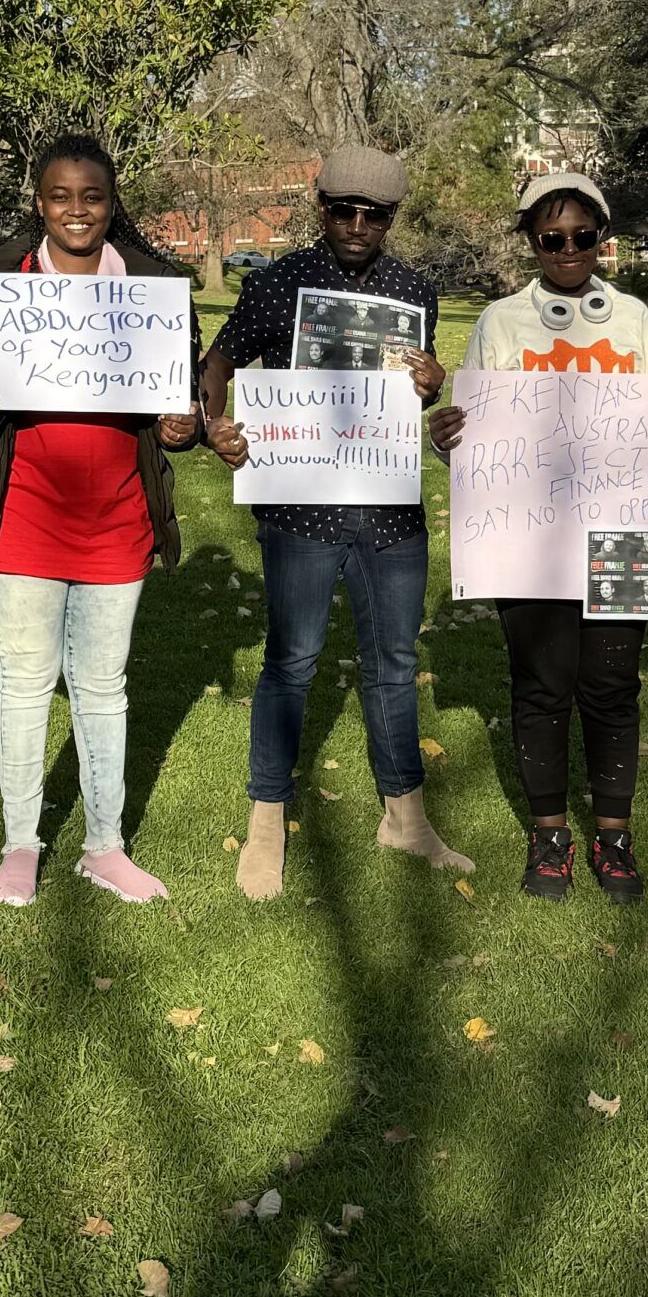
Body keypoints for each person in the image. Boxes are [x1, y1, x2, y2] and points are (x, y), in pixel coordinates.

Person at [428, 172, 648, 904]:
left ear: (603, 238)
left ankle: (613, 836)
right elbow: (474, 435)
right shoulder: (502, 322)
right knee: (540, 688)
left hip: (623, 530)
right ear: (531, 242)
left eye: (582, 235)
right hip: (526, 534)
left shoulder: (632, 317)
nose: (568, 249)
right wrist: (449, 437)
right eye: (551, 237)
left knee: (610, 688)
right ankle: (548, 838)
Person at [0, 135, 202, 907]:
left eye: (92, 197)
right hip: (22, 511)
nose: (76, 210)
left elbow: (182, 394)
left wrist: (182, 422)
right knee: (22, 680)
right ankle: (21, 843)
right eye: (60, 196)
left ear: (112, 206)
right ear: (36, 202)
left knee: (104, 684)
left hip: (117, 515)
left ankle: (103, 845)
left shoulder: (153, 286)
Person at [201, 146, 468, 899]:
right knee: (292, 661)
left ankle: (406, 817)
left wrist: (430, 380)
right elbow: (218, 361)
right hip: (300, 507)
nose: (355, 224)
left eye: (373, 213)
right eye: (341, 209)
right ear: (318, 206)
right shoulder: (277, 282)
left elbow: (409, 398)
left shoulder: (414, 290)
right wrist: (214, 419)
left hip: (389, 513)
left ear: (392, 218)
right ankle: (265, 823)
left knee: (393, 661)